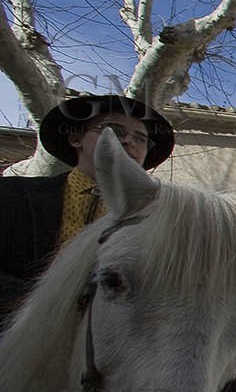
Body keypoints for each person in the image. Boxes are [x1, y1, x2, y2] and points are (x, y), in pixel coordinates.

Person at [0, 93, 175, 315]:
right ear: (76, 139)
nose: (129, 141)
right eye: (114, 130)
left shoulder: (156, 221)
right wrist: (40, 303)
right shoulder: (11, 195)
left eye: (140, 138)